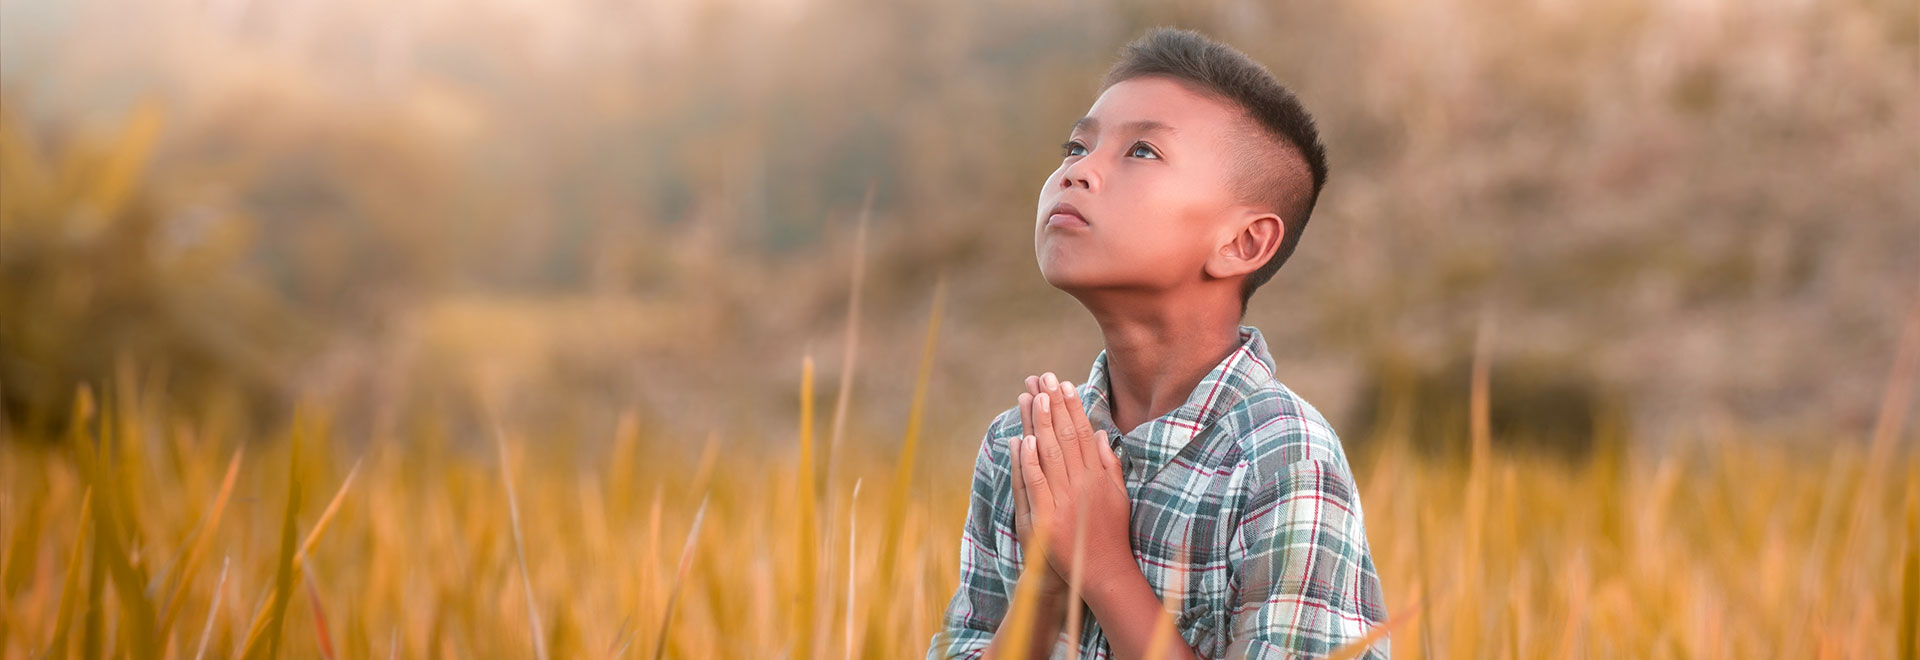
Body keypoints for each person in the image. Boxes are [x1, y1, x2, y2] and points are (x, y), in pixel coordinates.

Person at [927, 26, 1389, 660]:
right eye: (1075, 146)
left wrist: (1104, 569)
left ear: (1242, 244)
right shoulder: (1024, 446)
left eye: (1140, 151)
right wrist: (1043, 583)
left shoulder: (1283, 460)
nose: (1077, 171)